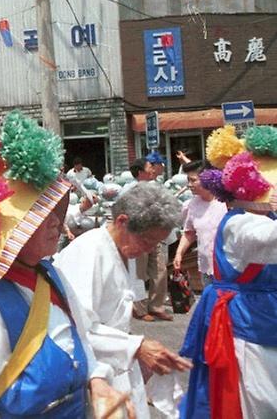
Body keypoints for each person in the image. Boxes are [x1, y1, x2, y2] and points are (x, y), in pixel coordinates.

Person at [0, 105, 128, 418]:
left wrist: (97, 380)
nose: (55, 224)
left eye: (56, 213)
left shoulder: (51, 276)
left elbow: (81, 339)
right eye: (39, 218)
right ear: (9, 232)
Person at [54, 182, 191, 419]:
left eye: (154, 244)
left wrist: (136, 350)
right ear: (122, 221)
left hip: (117, 368)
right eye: (146, 240)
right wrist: (135, 346)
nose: (148, 249)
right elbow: (75, 327)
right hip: (93, 375)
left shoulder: (121, 250)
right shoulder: (89, 252)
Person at [180, 125, 277, 418]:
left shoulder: (258, 218)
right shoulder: (239, 223)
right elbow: (268, 238)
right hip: (249, 324)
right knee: (259, 402)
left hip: (263, 318)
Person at [125, 152, 172, 322]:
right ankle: (140, 308)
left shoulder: (156, 187)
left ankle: (157, 306)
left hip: (155, 235)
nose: (152, 169)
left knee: (160, 269)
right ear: (140, 172)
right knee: (139, 273)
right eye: (149, 167)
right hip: (139, 236)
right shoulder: (130, 190)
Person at [173, 160, 227, 286]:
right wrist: (179, 254)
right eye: (188, 180)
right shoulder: (192, 204)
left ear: (207, 179)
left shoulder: (226, 203)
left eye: (193, 180)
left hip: (227, 267)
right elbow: (189, 233)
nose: (189, 185)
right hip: (206, 268)